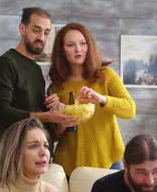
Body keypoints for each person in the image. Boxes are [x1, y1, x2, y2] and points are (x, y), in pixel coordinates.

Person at [48, 22, 136, 176]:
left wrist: (102, 99)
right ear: (62, 50)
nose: (78, 49)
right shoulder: (57, 85)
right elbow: (54, 136)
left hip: (108, 159)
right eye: (71, 45)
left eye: (83, 43)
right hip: (67, 164)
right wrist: (61, 123)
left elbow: (130, 110)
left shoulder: (106, 75)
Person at [0, 7, 75, 143]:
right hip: (16, 154)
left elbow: (43, 125)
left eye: (46, 32)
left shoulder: (36, 69)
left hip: (40, 154)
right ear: (22, 29)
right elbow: (0, 113)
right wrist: (46, 116)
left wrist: (55, 111)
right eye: (36, 30)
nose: (41, 37)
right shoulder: (6, 63)